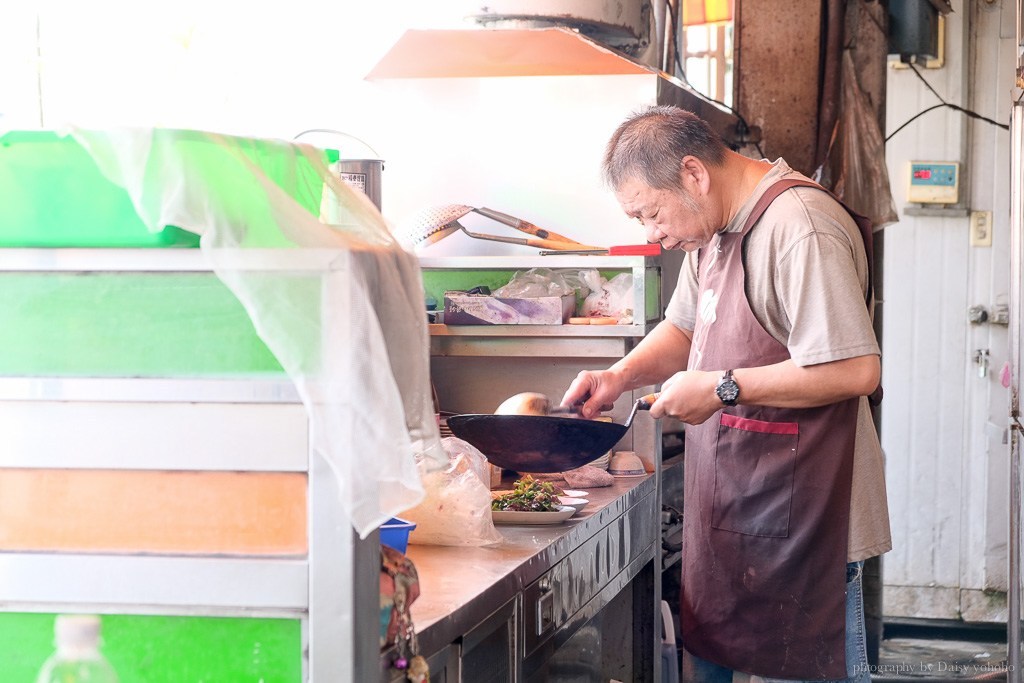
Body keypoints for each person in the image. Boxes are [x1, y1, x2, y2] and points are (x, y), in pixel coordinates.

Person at [561, 105, 891, 682]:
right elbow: (686, 327)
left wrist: (721, 387)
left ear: (694, 174)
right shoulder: (712, 231)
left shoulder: (799, 227)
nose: (651, 233)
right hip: (740, 503)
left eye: (651, 214)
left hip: (812, 517)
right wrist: (620, 376)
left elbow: (854, 369)